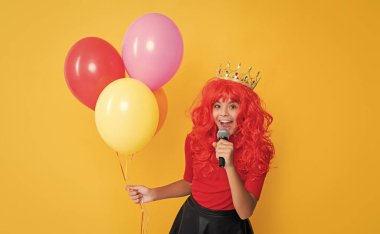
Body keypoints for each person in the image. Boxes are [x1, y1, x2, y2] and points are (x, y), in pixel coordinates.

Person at [127, 64, 274, 234]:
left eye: (233, 106)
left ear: (246, 111)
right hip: (193, 221)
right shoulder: (195, 140)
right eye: (217, 106)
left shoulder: (259, 151)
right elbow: (190, 183)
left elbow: (245, 212)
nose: (224, 113)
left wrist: (230, 166)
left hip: (229, 227)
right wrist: (153, 194)